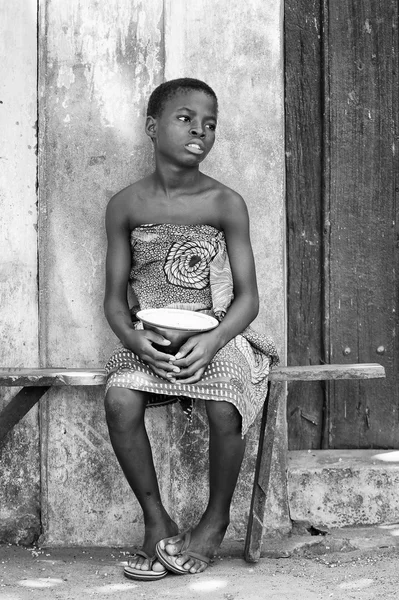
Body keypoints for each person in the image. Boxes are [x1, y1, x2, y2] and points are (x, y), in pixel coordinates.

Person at [103, 78, 279, 580]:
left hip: (219, 336)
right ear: (152, 128)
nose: (200, 130)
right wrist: (134, 340)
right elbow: (114, 302)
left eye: (210, 124)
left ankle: (214, 521)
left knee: (225, 402)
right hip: (150, 338)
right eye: (185, 119)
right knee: (119, 399)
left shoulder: (225, 203)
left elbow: (248, 298)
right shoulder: (126, 205)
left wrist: (216, 338)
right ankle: (155, 519)